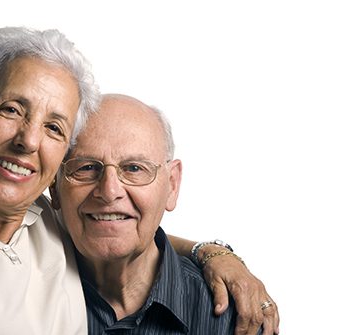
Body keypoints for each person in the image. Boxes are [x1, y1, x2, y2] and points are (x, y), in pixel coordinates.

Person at [0, 27, 277, 334]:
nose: (28, 140)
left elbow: (125, 226)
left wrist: (215, 253)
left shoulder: (42, 218)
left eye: (54, 127)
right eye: (11, 109)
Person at [50, 94, 277, 334]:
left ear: (172, 184)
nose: (109, 191)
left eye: (134, 168)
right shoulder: (23, 288)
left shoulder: (235, 316)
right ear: (54, 185)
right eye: (86, 167)